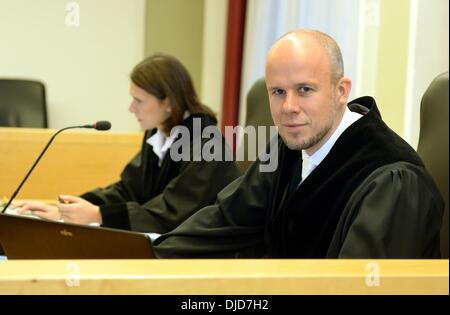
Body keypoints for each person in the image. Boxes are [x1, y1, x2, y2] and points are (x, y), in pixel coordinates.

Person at [152, 29, 444, 258]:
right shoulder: (289, 147)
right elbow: (226, 220)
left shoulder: (392, 181)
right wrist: (147, 258)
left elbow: (357, 288)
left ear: (341, 91)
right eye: (278, 91)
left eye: (304, 89)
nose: (288, 107)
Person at [12, 54, 240, 234]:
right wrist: (70, 209)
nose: (131, 109)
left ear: (168, 102)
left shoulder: (205, 141)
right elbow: (128, 189)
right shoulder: (160, 134)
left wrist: (99, 215)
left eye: (138, 101)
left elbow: (174, 211)